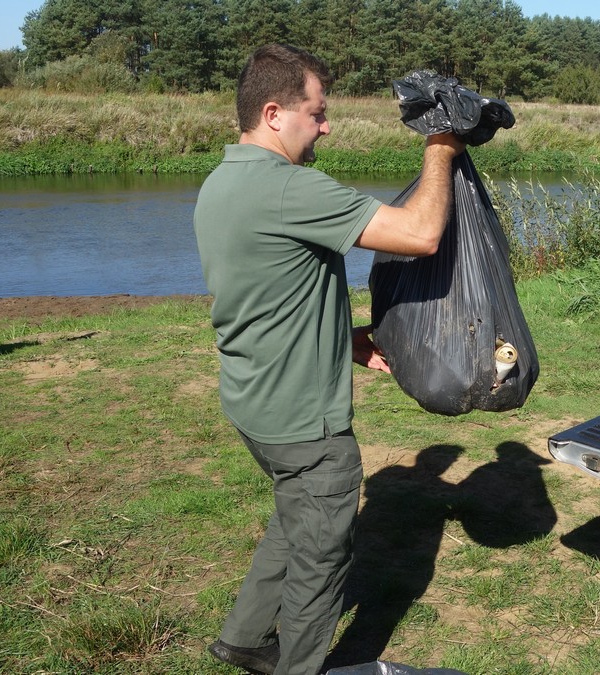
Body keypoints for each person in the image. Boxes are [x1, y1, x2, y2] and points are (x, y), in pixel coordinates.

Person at [193, 43, 465, 675]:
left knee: (296, 516)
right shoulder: (290, 188)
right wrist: (440, 148)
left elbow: (269, 291)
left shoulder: (222, 180)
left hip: (253, 403)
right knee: (321, 553)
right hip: (304, 423)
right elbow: (421, 234)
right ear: (273, 113)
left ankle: (244, 637)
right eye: (316, 113)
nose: (326, 126)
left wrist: (346, 338)